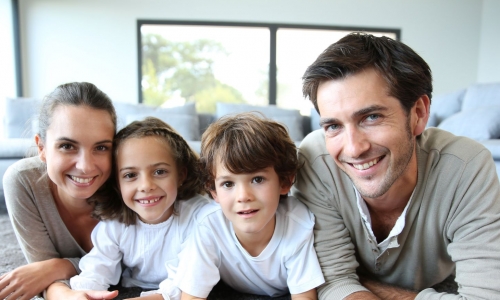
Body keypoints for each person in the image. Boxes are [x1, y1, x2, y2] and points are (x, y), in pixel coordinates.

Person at [293, 32, 500, 299]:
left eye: (371, 117)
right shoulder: (315, 161)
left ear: (418, 114)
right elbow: (334, 282)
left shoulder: (466, 167)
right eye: (333, 126)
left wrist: (365, 284)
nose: (354, 149)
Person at [175, 112, 325, 300]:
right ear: (214, 192)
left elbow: (305, 297)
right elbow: (191, 297)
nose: (243, 196)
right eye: (228, 184)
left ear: (285, 182)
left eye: (257, 179)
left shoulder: (298, 223)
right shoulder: (209, 225)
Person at [0, 82, 119, 300]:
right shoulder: (24, 181)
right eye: (67, 146)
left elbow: (136, 265)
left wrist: (58, 266)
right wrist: (65, 295)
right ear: (42, 148)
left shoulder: (130, 182)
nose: (85, 166)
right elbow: (41, 272)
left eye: (101, 147)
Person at [69, 117, 208, 300]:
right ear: (117, 183)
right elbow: (97, 268)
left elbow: (187, 282)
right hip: (132, 288)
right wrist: (86, 294)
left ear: (180, 174)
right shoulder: (115, 223)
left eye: (159, 172)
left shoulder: (199, 217)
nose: (145, 186)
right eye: (130, 175)